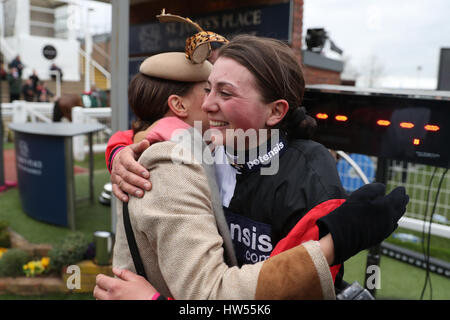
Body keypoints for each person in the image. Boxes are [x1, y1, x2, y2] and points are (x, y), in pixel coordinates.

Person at [95, 35, 408, 300]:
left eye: (225, 92)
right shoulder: (198, 149)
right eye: (208, 89)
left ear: (275, 112)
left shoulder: (308, 181)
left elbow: (279, 292)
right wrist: (120, 152)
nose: (207, 105)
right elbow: (151, 135)